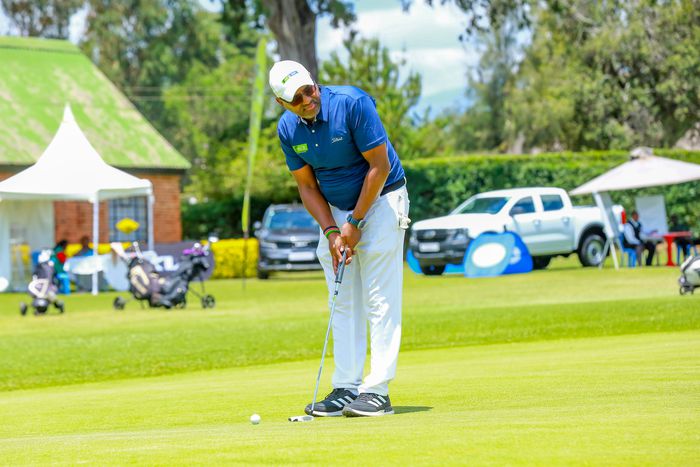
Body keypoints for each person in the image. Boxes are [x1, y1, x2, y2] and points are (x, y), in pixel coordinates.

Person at [269, 60, 410, 417]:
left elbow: (380, 166)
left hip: (382, 200)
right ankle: (347, 387)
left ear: (314, 83)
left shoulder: (352, 103)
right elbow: (306, 186)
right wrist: (332, 231)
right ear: (282, 103)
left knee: (379, 297)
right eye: (296, 98)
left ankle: (377, 390)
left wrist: (356, 222)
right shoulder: (287, 129)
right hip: (335, 211)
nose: (307, 99)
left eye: (309, 89)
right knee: (342, 299)